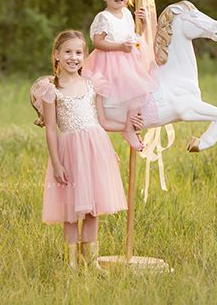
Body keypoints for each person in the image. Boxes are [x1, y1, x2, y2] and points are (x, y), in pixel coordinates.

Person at [31, 30, 143, 272]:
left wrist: (127, 125)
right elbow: (51, 129)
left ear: (84, 56)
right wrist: (57, 163)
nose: (74, 57)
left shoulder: (93, 84)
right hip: (70, 153)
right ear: (57, 55)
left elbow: (101, 121)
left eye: (79, 52)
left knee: (93, 209)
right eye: (68, 52)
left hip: (96, 150)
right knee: (71, 211)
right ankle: (71, 265)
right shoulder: (52, 89)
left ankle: (91, 263)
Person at [84, 0, 157, 151]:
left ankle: (132, 125)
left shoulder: (126, 14)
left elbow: (134, 37)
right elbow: (97, 42)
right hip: (109, 62)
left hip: (127, 59)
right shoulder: (104, 17)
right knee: (135, 84)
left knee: (142, 86)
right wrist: (119, 47)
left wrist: (143, 23)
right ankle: (128, 129)